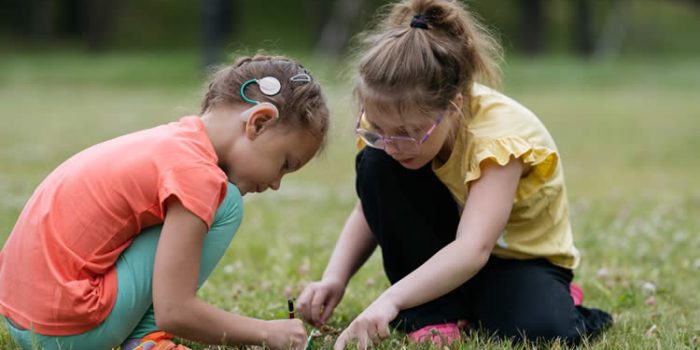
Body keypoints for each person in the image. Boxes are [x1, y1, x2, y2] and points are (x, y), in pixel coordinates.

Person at [297, 0, 612, 348]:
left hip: (515, 259)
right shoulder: (390, 133)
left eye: (409, 131)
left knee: (540, 330)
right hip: (446, 247)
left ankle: (550, 294)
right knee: (376, 163)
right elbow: (372, 209)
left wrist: (390, 300)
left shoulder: (498, 140)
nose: (393, 142)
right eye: (378, 128)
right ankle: (435, 312)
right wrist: (335, 278)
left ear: (454, 108)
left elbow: (474, 248)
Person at [0, 55, 329, 350]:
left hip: (20, 319)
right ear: (258, 122)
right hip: (68, 331)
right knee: (226, 201)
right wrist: (267, 331)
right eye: (285, 164)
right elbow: (175, 311)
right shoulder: (198, 174)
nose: (275, 183)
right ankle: (145, 340)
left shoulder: (174, 142)